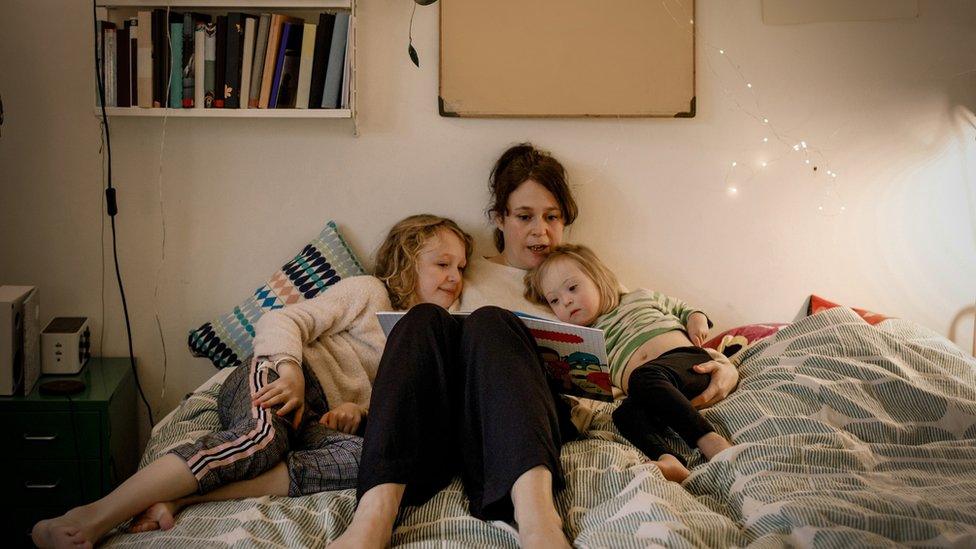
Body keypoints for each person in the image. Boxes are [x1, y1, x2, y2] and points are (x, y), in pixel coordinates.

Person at [334, 143, 740, 549]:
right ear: (499, 218)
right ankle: (371, 521)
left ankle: (538, 520)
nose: (539, 231)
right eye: (524, 216)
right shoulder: (462, 271)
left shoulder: (578, 276)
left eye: (552, 217)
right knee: (426, 319)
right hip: (458, 424)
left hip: (533, 422)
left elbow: (647, 327)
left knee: (494, 321)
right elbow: (424, 359)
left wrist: (720, 362)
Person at [31, 214, 473, 549]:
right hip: (278, 376)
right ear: (405, 261)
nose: (454, 278)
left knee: (377, 465)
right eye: (442, 264)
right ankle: (93, 515)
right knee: (260, 439)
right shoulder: (368, 292)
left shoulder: (429, 341)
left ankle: (185, 499)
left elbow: (394, 410)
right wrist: (290, 371)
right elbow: (284, 318)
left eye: (461, 268)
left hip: (317, 420)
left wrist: (357, 412)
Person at [525, 244, 734, 482]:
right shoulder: (584, 342)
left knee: (644, 377)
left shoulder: (639, 296)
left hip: (687, 365)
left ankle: (709, 440)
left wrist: (697, 319)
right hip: (651, 393)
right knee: (624, 415)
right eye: (554, 300)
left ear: (598, 279)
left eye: (572, 288)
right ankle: (670, 459)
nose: (566, 302)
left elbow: (683, 309)